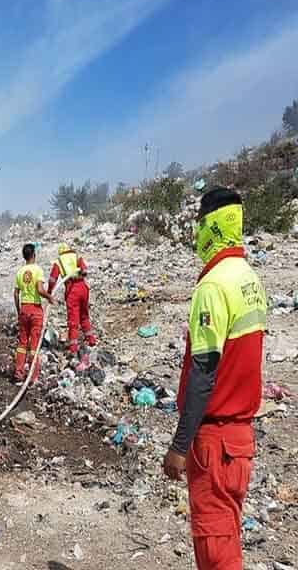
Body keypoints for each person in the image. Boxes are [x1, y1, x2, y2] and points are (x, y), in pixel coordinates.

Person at [163, 187, 266, 570]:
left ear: (213, 224)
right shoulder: (249, 279)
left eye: (200, 222)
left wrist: (179, 445)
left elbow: (204, 373)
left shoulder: (213, 286)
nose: (196, 232)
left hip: (214, 442)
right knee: (227, 536)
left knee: (216, 552)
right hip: (239, 440)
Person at [14, 243, 54, 384]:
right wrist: (50, 297)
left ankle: (19, 372)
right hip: (35, 310)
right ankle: (32, 376)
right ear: (34, 255)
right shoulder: (37, 270)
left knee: (22, 343)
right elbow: (40, 290)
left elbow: (16, 293)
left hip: (24, 309)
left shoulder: (19, 272)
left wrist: (19, 311)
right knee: (34, 345)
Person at [48, 243, 96, 354]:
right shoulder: (76, 256)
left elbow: (52, 280)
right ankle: (91, 340)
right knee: (84, 315)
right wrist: (78, 273)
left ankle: (73, 347)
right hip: (83, 288)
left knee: (73, 320)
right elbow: (84, 271)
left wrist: (49, 292)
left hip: (72, 290)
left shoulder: (58, 262)